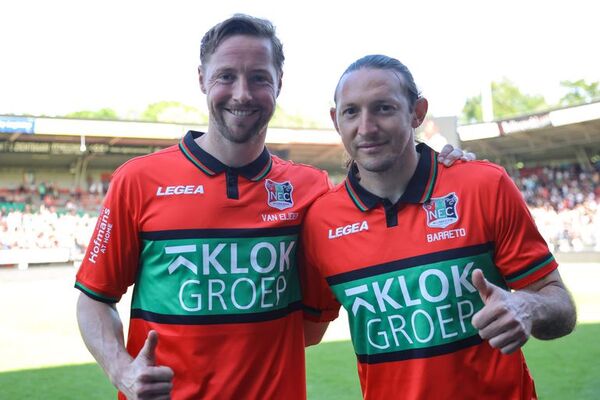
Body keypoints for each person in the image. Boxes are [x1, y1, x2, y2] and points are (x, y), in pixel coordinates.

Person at [75, 15, 469, 400]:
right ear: (201, 79)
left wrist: (450, 170)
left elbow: (313, 327)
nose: (242, 93)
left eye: (259, 77)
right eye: (226, 76)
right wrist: (121, 369)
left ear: (279, 82)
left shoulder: (310, 189)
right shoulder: (139, 180)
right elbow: (94, 297)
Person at [300, 54, 577, 400]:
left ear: (417, 112)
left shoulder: (482, 186)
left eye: (384, 108)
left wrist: (527, 307)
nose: (366, 127)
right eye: (351, 111)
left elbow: (561, 310)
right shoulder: (320, 222)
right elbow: (304, 333)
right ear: (335, 120)